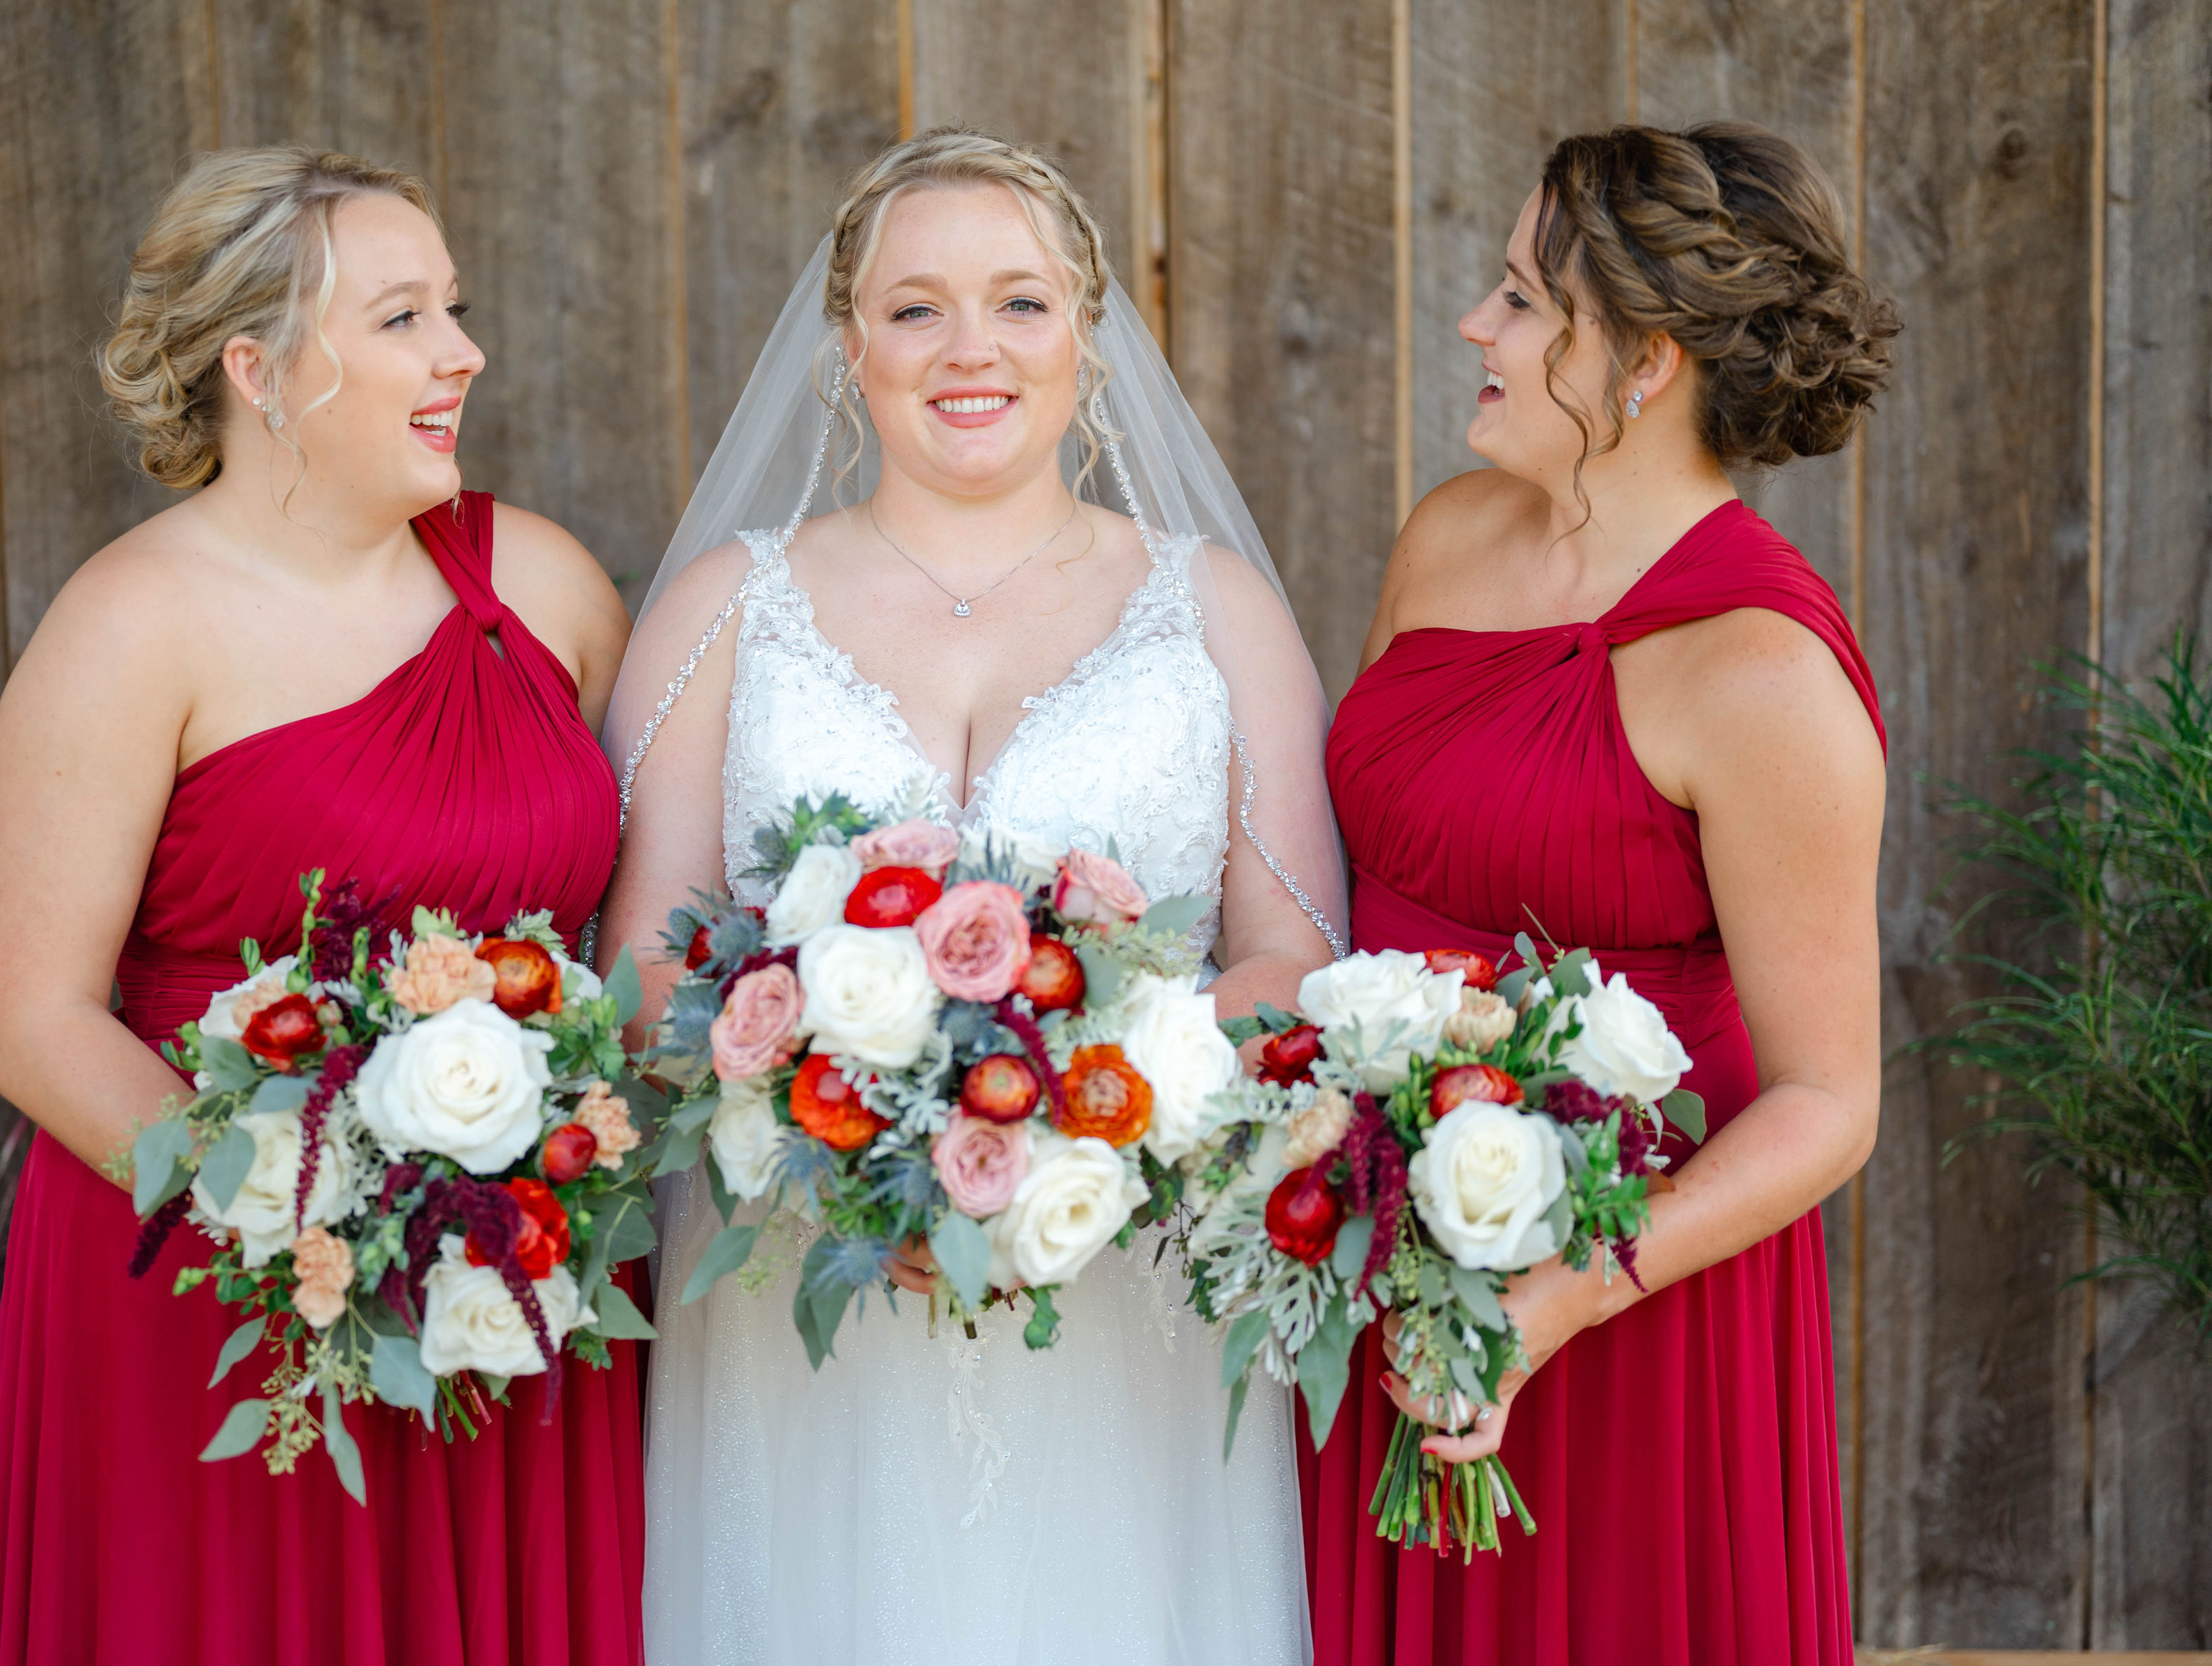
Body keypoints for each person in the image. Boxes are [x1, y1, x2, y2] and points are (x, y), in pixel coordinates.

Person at [596, 127, 1342, 1664]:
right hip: (803, 1298)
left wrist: (1082, 1110)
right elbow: (638, 971)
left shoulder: (1211, 610)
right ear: (848, 346)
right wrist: (850, 1138)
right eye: (915, 307)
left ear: (1091, 332)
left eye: (1019, 302)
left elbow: (1293, 958)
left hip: (1124, 1274)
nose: (969, 350)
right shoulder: (727, 608)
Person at [0, 148, 641, 1665]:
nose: (461, 352)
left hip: (510, 1271)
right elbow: (26, 1015)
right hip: (220, 1292)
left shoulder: (538, 585)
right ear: (257, 370)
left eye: (452, 308)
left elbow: (652, 907)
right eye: (402, 318)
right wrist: (309, 1228)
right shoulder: (134, 627)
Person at [1305, 122, 1898, 1665]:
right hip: (1387, 1242)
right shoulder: (1448, 537)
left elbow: (1833, 1098)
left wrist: (1564, 1296)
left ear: (1644, 362)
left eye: (1520, 301)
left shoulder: (1766, 676)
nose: (1474, 328)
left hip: (1629, 1298)